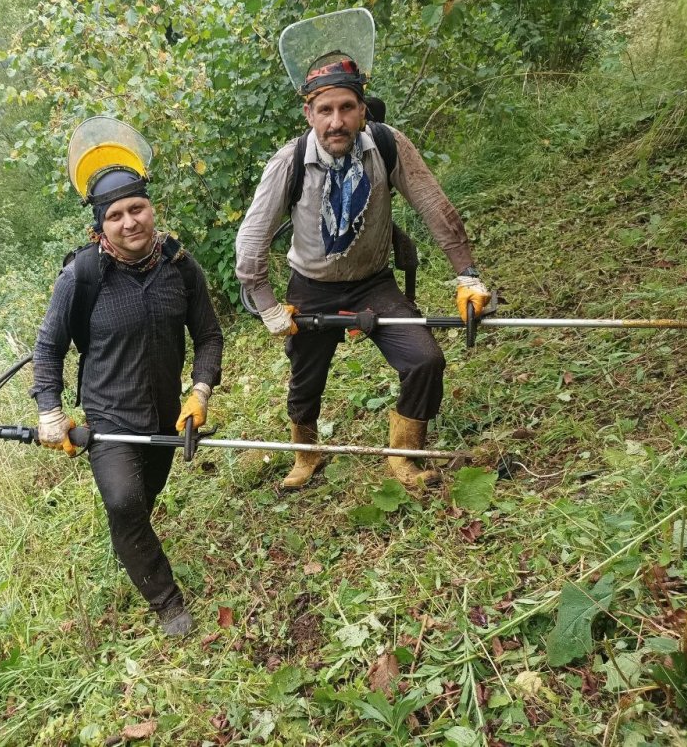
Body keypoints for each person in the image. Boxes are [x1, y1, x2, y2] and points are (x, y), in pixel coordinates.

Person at [235, 56, 490, 490]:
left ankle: (404, 455)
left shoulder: (388, 145)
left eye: (347, 108)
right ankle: (306, 454)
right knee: (305, 378)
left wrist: (467, 274)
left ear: (362, 110)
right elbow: (251, 240)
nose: (336, 121)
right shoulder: (289, 161)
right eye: (325, 110)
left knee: (425, 359)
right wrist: (267, 305)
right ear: (309, 114)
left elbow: (435, 206)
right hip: (311, 285)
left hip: (373, 282)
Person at [31, 117, 223, 637]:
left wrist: (200, 391)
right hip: (109, 416)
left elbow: (209, 336)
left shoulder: (181, 269)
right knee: (123, 500)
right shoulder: (81, 277)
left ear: (151, 209)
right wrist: (50, 411)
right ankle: (167, 603)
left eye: (136, 209)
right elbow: (48, 348)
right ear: (100, 228)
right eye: (115, 216)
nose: (129, 222)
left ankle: (130, 541)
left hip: (166, 414)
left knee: (141, 502)